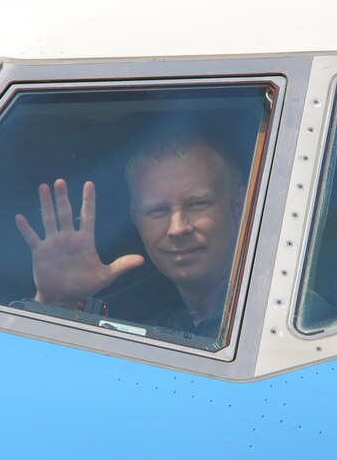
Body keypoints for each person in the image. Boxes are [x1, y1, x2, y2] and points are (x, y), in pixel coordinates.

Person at [14, 134, 246, 339]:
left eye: (197, 204)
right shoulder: (156, 327)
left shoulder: (264, 320)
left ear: (238, 206)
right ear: (136, 220)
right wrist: (57, 304)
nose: (177, 228)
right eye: (158, 210)